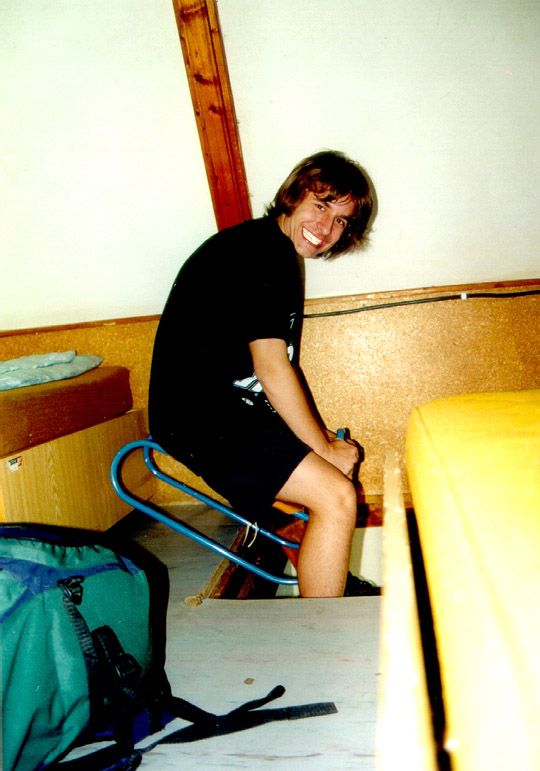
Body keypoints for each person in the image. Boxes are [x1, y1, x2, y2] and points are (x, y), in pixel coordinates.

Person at [148, 150, 376, 598]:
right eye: (321, 205)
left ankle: (322, 575)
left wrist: (322, 441)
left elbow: (273, 373)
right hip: (199, 414)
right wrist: (323, 448)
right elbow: (271, 368)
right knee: (336, 496)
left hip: (220, 409)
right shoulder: (263, 252)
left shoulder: (272, 250)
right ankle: (324, 628)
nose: (326, 228)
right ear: (294, 196)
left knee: (326, 480)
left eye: (341, 221)